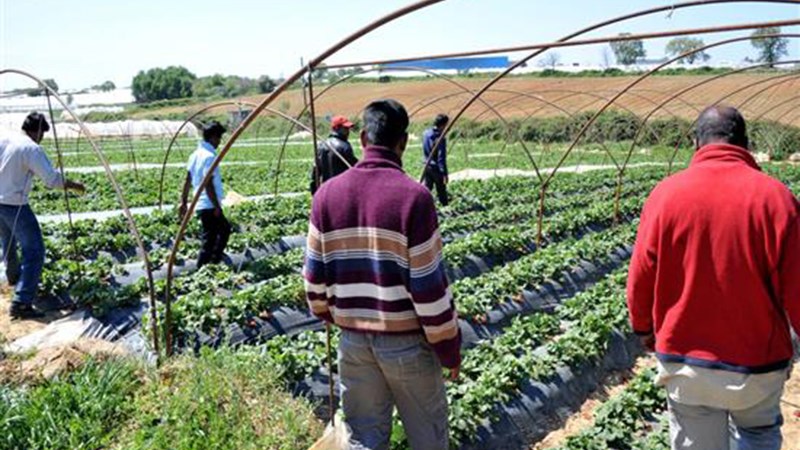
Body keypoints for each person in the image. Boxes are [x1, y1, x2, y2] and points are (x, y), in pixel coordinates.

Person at [627, 106, 800, 450]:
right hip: (757, 364)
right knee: (757, 435)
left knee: (696, 442)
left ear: (696, 143)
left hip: (686, 361)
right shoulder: (776, 198)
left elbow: (642, 273)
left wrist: (644, 328)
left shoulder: (665, 195)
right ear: (745, 144)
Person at [304, 99, 460, 450]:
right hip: (407, 344)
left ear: (361, 138)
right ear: (403, 142)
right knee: (428, 439)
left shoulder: (326, 196)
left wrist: (338, 316)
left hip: (354, 343)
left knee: (363, 439)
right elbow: (429, 291)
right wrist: (449, 348)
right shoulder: (414, 199)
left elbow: (313, 282)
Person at [0, 112, 86, 319]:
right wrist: (74, 185)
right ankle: (21, 302)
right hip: (14, 204)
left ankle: (14, 280)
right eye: (42, 134)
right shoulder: (31, 148)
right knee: (35, 250)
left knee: (8, 243)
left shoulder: (6, 139)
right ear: (38, 131)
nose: (42, 138)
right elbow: (51, 179)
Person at [180, 120, 231, 268]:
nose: (219, 142)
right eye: (219, 138)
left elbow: (187, 180)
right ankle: (207, 265)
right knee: (215, 235)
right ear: (213, 137)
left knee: (215, 234)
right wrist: (216, 206)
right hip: (208, 203)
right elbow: (207, 183)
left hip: (200, 202)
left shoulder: (195, 154)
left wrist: (184, 202)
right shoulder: (209, 156)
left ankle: (211, 262)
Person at [310, 115, 358, 193]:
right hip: (342, 190)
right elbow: (354, 168)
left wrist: (315, 194)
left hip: (327, 190)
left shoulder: (321, 145)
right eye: (345, 129)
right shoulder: (344, 146)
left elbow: (315, 173)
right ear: (336, 128)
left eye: (348, 129)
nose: (348, 132)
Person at [422, 114, 450, 206]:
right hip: (435, 168)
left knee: (427, 190)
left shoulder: (425, 133)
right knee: (441, 191)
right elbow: (441, 157)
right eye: (446, 125)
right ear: (442, 125)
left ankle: (423, 208)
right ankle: (446, 209)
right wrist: (444, 173)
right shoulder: (440, 138)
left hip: (426, 165)